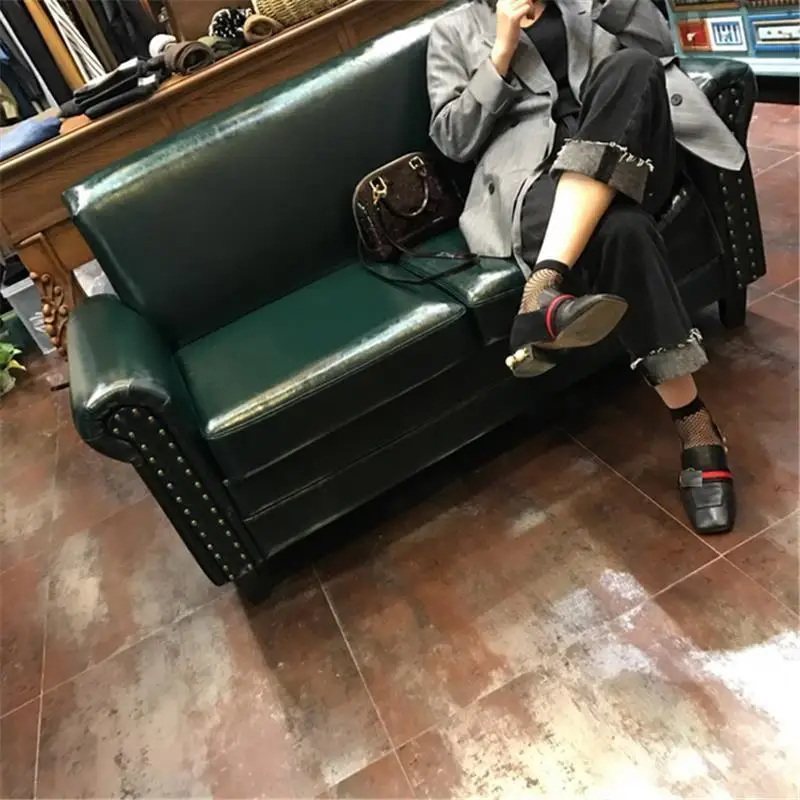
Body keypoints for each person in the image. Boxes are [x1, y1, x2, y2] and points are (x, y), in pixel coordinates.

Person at [426, 0, 745, 534]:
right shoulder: (454, 30)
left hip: (635, 160)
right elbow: (453, 141)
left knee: (632, 65)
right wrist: (500, 50)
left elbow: (660, 46)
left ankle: (543, 284)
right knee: (624, 231)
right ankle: (696, 428)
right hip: (536, 184)